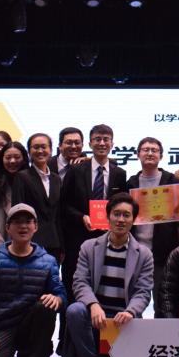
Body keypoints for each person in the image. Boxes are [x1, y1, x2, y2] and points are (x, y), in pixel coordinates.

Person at [64, 193, 154, 357]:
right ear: (108, 216)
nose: (121, 219)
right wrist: (93, 305)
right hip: (96, 316)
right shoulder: (89, 247)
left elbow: (143, 291)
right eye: (116, 214)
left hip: (124, 318)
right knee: (74, 310)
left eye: (126, 215)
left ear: (133, 220)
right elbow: (80, 282)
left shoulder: (144, 254)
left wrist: (130, 311)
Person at [0, 203, 65, 357]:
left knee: (46, 306)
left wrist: (57, 299)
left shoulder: (48, 261)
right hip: (2, 326)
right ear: (8, 228)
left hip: (32, 327)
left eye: (28, 221)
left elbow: (61, 295)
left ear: (35, 227)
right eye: (17, 222)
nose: (23, 226)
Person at [61, 124, 128, 308]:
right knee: (73, 289)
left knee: (103, 289)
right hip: (78, 240)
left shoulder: (119, 173)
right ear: (90, 143)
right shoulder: (75, 170)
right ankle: (69, 327)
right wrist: (81, 217)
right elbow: (64, 205)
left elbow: (122, 205)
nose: (102, 143)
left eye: (106, 139)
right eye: (97, 139)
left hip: (108, 241)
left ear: (112, 143)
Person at [126, 136, 179, 296]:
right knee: (132, 297)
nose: (150, 153)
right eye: (146, 150)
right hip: (135, 249)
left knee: (163, 299)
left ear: (161, 155)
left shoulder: (172, 180)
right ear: (138, 154)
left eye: (154, 150)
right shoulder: (131, 183)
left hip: (164, 252)